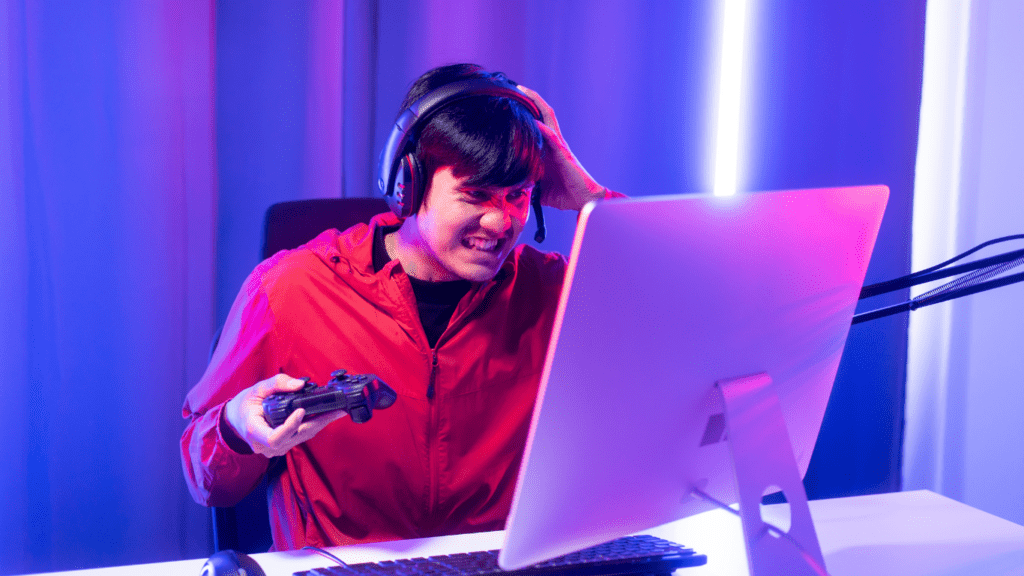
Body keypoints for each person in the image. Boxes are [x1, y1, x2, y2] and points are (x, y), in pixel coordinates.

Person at [180, 63, 623, 551]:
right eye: (475, 194)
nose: (501, 221)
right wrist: (236, 427)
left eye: (517, 196)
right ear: (408, 184)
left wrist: (594, 201)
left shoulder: (552, 290)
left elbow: (691, 317)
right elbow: (206, 477)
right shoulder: (289, 289)